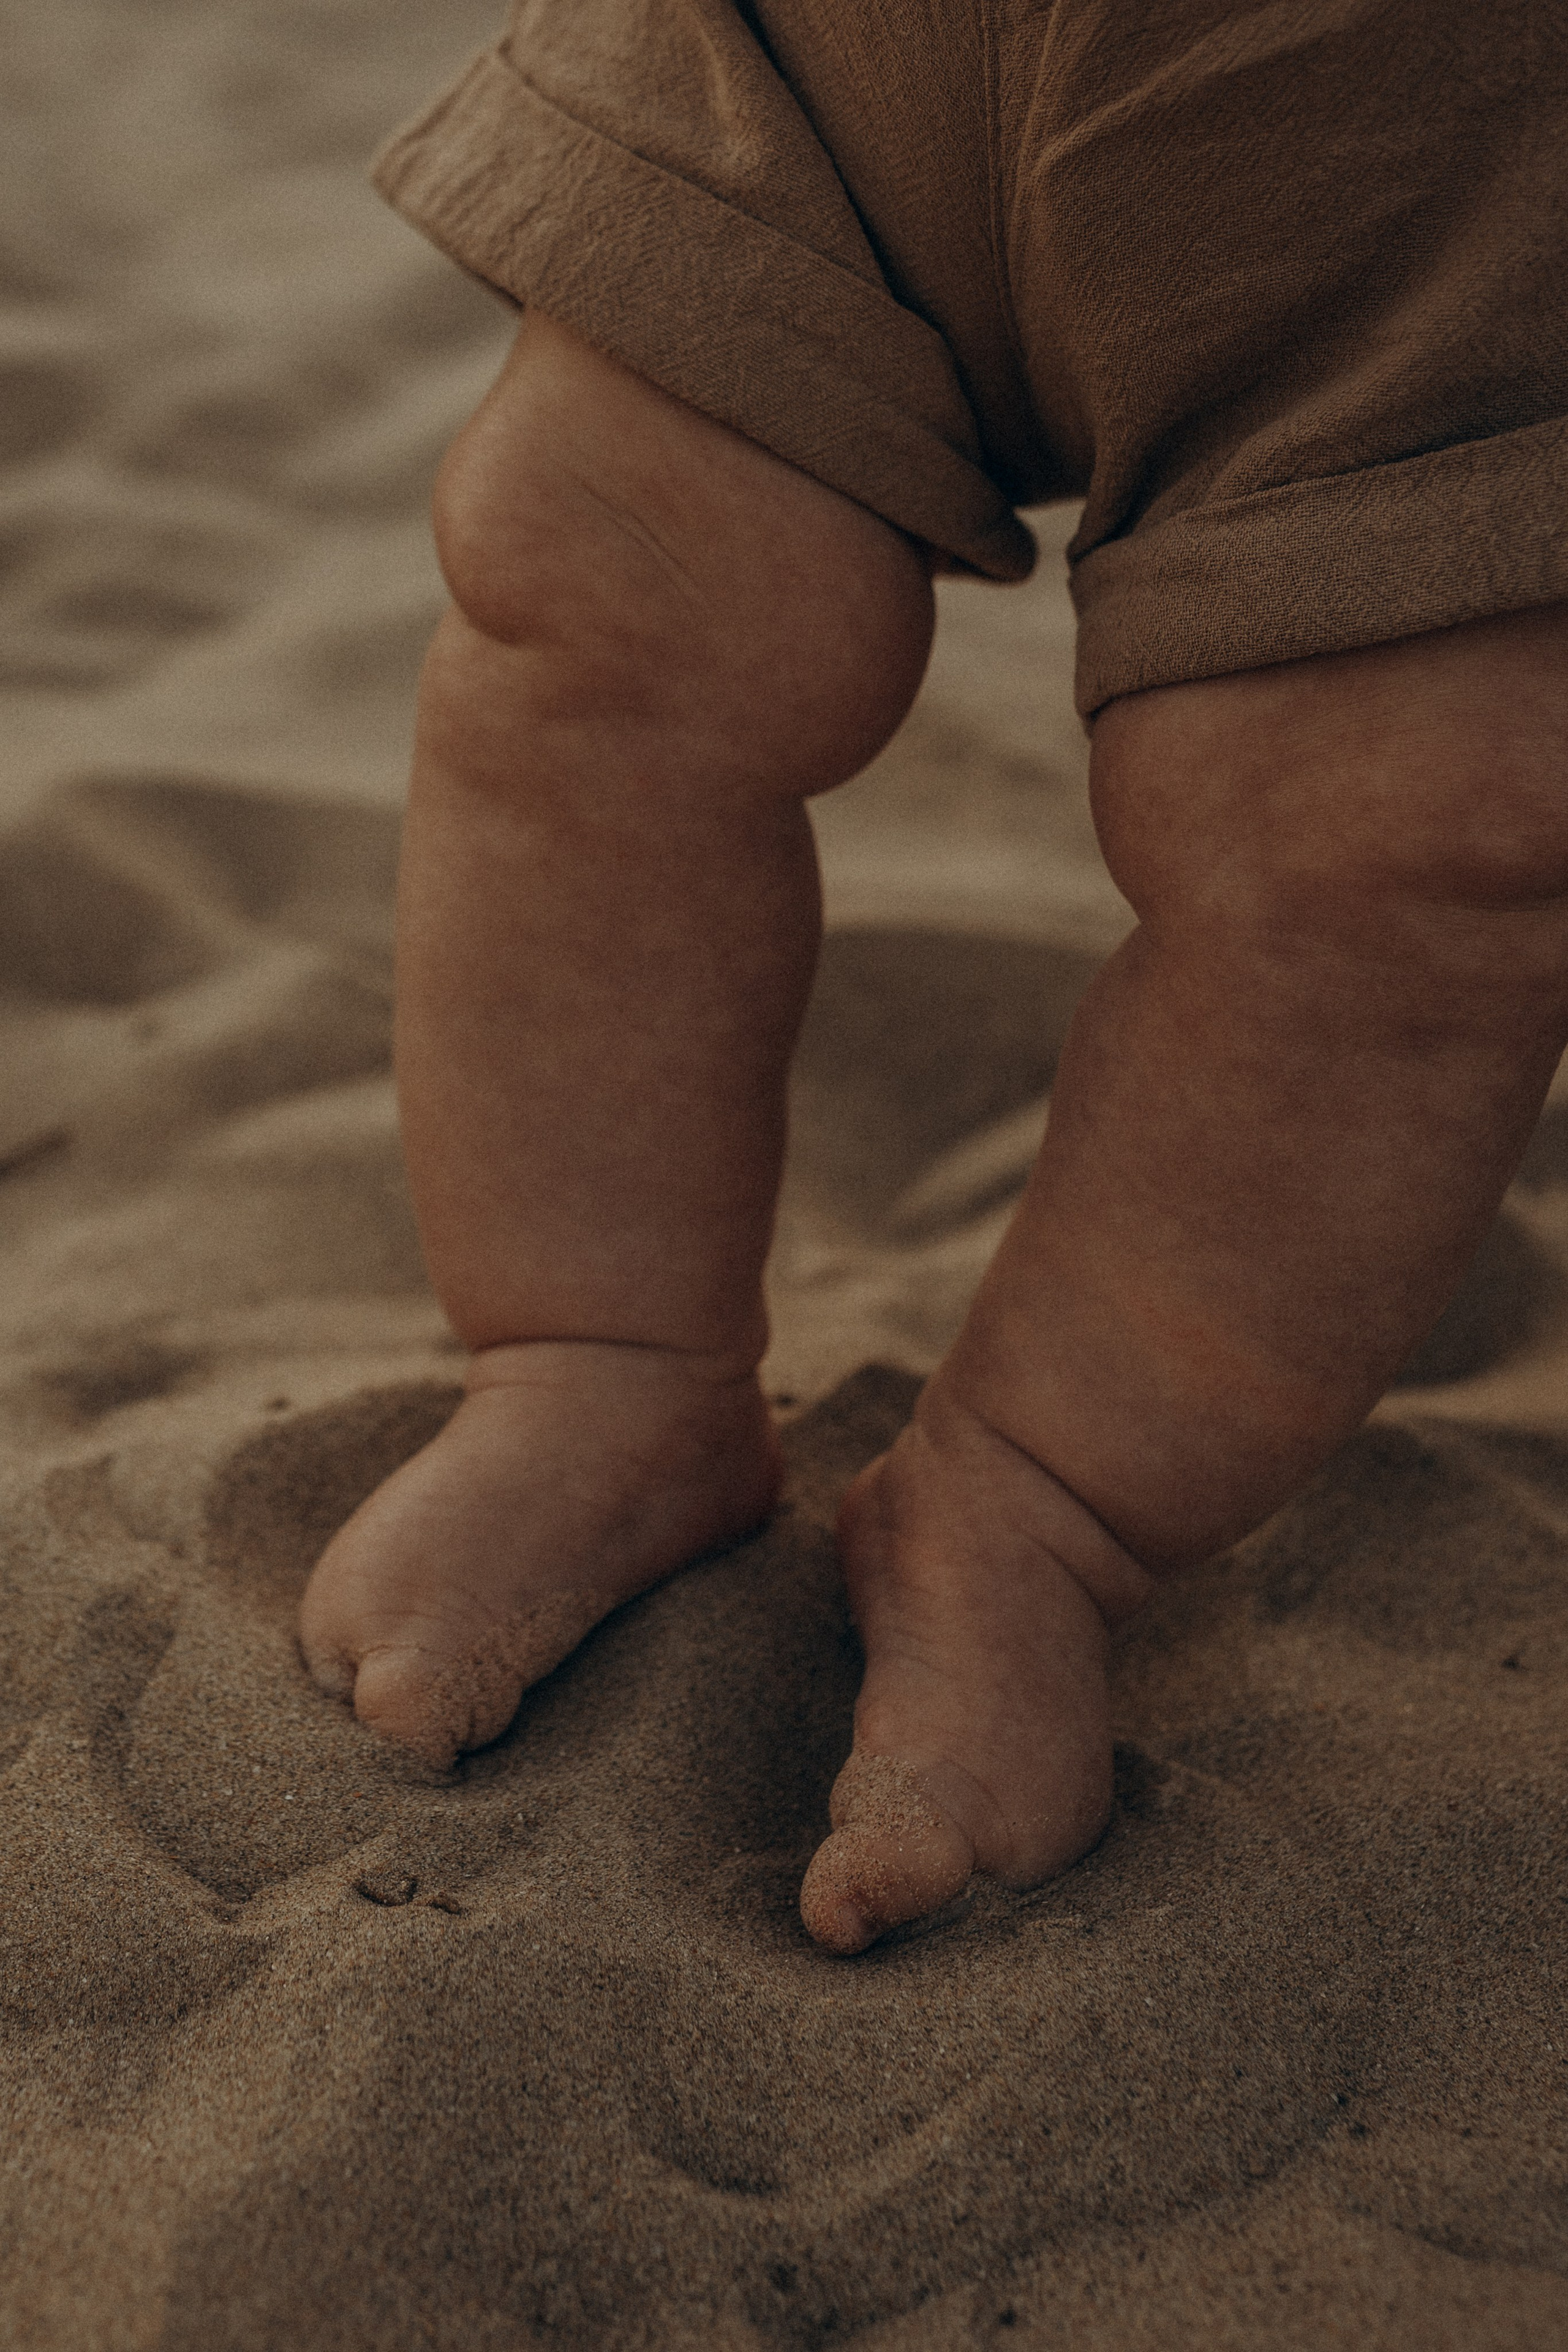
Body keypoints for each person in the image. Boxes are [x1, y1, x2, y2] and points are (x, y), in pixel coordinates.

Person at [298, 0, 1568, 1951]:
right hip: (864, 51)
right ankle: (596, 1363)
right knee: (606, 569)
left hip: (1442, 142)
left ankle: (1040, 1510)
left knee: (1392, 841)